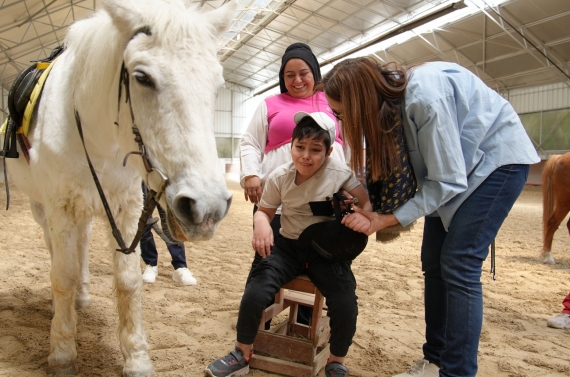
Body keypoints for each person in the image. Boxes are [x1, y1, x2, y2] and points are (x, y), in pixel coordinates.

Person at [318, 57, 540, 377]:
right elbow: (408, 171)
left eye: (340, 113)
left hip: (495, 164)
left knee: (458, 261)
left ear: (361, 102)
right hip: (455, 173)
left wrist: (386, 219)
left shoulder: (424, 99)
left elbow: (447, 180)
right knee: (433, 261)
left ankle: (457, 372)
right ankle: (434, 360)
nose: (339, 122)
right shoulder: (386, 112)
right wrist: (367, 200)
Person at [205, 112, 371, 377]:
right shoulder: (280, 176)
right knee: (256, 291)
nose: (306, 155)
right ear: (290, 147)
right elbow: (264, 211)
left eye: (315, 150)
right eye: (300, 147)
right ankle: (241, 352)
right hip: (288, 247)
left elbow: (366, 203)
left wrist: (359, 215)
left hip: (324, 251)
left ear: (328, 153)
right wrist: (261, 223)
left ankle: (336, 361)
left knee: (345, 301)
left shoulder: (340, 173)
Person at [240, 42, 346, 325]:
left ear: (315, 73)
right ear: (282, 77)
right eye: (290, 75)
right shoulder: (269, 104)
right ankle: (255, 313)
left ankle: (305, 316)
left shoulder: (333, 102)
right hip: (276, 199)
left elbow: (347, 143)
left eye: (303, 73)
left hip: (321, 202)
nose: (297, 80)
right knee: (266, 256)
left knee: (320, 259)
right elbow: (250, 142)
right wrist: (251, 174)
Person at [140, 183, 196, 286]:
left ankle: (180, 266)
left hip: (163, 178)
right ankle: (150, 264)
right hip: (142, 178)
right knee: (143, 221)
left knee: (171, 222)